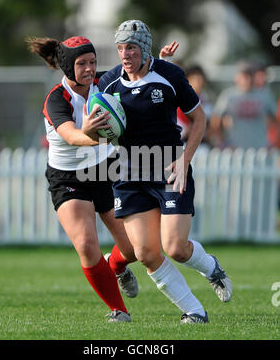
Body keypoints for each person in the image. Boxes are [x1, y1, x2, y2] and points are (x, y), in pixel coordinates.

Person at [98, 20, 232, 324]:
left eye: (130, 47)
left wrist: (185, 160)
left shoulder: (169, 75)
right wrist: (95, 129)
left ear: (144, 49)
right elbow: (94, 128)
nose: (124, 53)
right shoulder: (108, 84)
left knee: (175, 248)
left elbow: (199, 120)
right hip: (129, 175)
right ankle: (195, 311)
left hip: (169, 168)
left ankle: (211, 268)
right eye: (120, 47)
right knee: (145, 252)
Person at [27, 35, 139, 323]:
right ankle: (119, 311)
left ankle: (117, 267)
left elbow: (136, 71)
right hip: (67, 176)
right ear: (67, 67)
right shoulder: (56, 99)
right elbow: (71, 136)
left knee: (135, 247)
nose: (89, 69)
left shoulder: (103, 83)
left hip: (105, 168)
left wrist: (163, 59)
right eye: (81, 64)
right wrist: (89, 132)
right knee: (87, 245)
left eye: (92, 62)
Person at [212, 61, 277, 150]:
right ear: (237, 78)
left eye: (249, 76)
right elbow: (215, 120)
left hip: (260, 149)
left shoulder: (264, 95)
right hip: (236, 150)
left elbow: (276, 119)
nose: (246, 80)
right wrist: (222, 142)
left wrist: (273, 141)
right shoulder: (229, 96)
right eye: (243, 76)